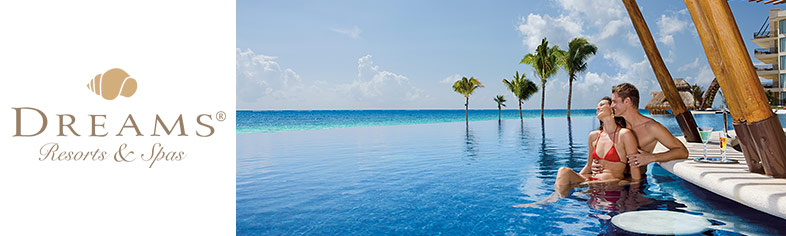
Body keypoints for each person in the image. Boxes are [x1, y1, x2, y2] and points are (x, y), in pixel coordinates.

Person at [593, 83, 689, 176]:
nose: (611, 105)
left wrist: (652, 157)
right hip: (613, 178)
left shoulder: (651, 127)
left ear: (627, 101)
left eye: (614, 102)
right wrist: (594, 164)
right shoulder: (617, 124)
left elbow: (682, 151)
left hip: (638, 183)